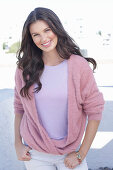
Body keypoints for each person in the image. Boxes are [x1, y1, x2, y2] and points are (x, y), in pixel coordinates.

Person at [14, 7, 105, 170]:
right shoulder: (24, 69)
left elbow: (95, 111)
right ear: (31, 38)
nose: (43, 38)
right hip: (35, 155)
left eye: (47, 30)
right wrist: (17, 144)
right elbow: (19, 107)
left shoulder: (78, 66)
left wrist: (81, 154)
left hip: (70, 154)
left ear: (56, 28)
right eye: (36, 34)